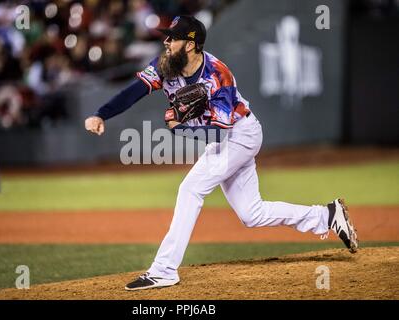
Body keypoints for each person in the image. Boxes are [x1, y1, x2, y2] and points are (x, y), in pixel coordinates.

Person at [85, 16, 358, 291]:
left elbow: (218, 134)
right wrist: (101, 114)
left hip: (239, 134)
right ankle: (326, 216)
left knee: (191, 189)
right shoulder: (165, 64)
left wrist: (179, 128)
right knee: (252, 214)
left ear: (190, 45)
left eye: (173, 37)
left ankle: (164, 269)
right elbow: (135, 91)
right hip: (225, 139)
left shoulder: (218, 75)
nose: (166, 42)